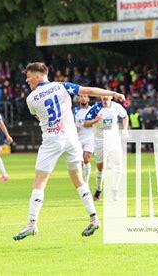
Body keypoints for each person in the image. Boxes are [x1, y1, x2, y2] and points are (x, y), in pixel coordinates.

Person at [12, 62, 125, 241]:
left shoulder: (31, 99)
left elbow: (38, 116)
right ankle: (94, 218)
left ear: (39, 76)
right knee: (79, 180)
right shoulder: (62, 86)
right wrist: (113, 93)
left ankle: (32, 223)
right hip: (72, 140)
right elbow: (89, 91)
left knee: (39, 182)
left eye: (29, 76)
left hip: (51, 141)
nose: (26, 80)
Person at [83, 95, 128, 201]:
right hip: (100, 141)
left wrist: (125, 129)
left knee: (118, 163)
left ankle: (115, 189)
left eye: (107, 97)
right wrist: (95, 120)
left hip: (114, 140)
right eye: (103, 97)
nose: (105, 99)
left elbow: (125, 116)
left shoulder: (116, 107)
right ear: (101, 98)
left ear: (111, 97)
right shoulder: (95, 108)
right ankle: (99, 189)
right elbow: (85, 123)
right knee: (100, 168)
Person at [72, 95, 94, 184]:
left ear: (88, 99)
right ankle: (81, 181)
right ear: (78, 99)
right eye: (81, 97)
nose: (83, 98)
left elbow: (98, 121)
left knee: (87, 158)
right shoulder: (74, 111)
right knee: (79, 161)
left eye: (85, 96)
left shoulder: (93, 110)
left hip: (90, 137)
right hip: (78, 138)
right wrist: (73, 127)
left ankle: (86, 182)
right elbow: (70, 122)